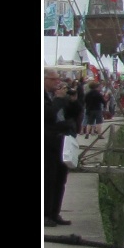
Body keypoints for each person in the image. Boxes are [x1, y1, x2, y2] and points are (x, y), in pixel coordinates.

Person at [45, 75, 83, 227]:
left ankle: (55, 212)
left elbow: (76, 113)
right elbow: (48, 115)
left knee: (60, 179)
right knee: (48, 180)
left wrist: (73, 101)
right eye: (54, 79)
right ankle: (45, 214)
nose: (57, 82)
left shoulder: (58, 96)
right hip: (48, 144)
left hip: (62, 142)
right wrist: (59, 99)